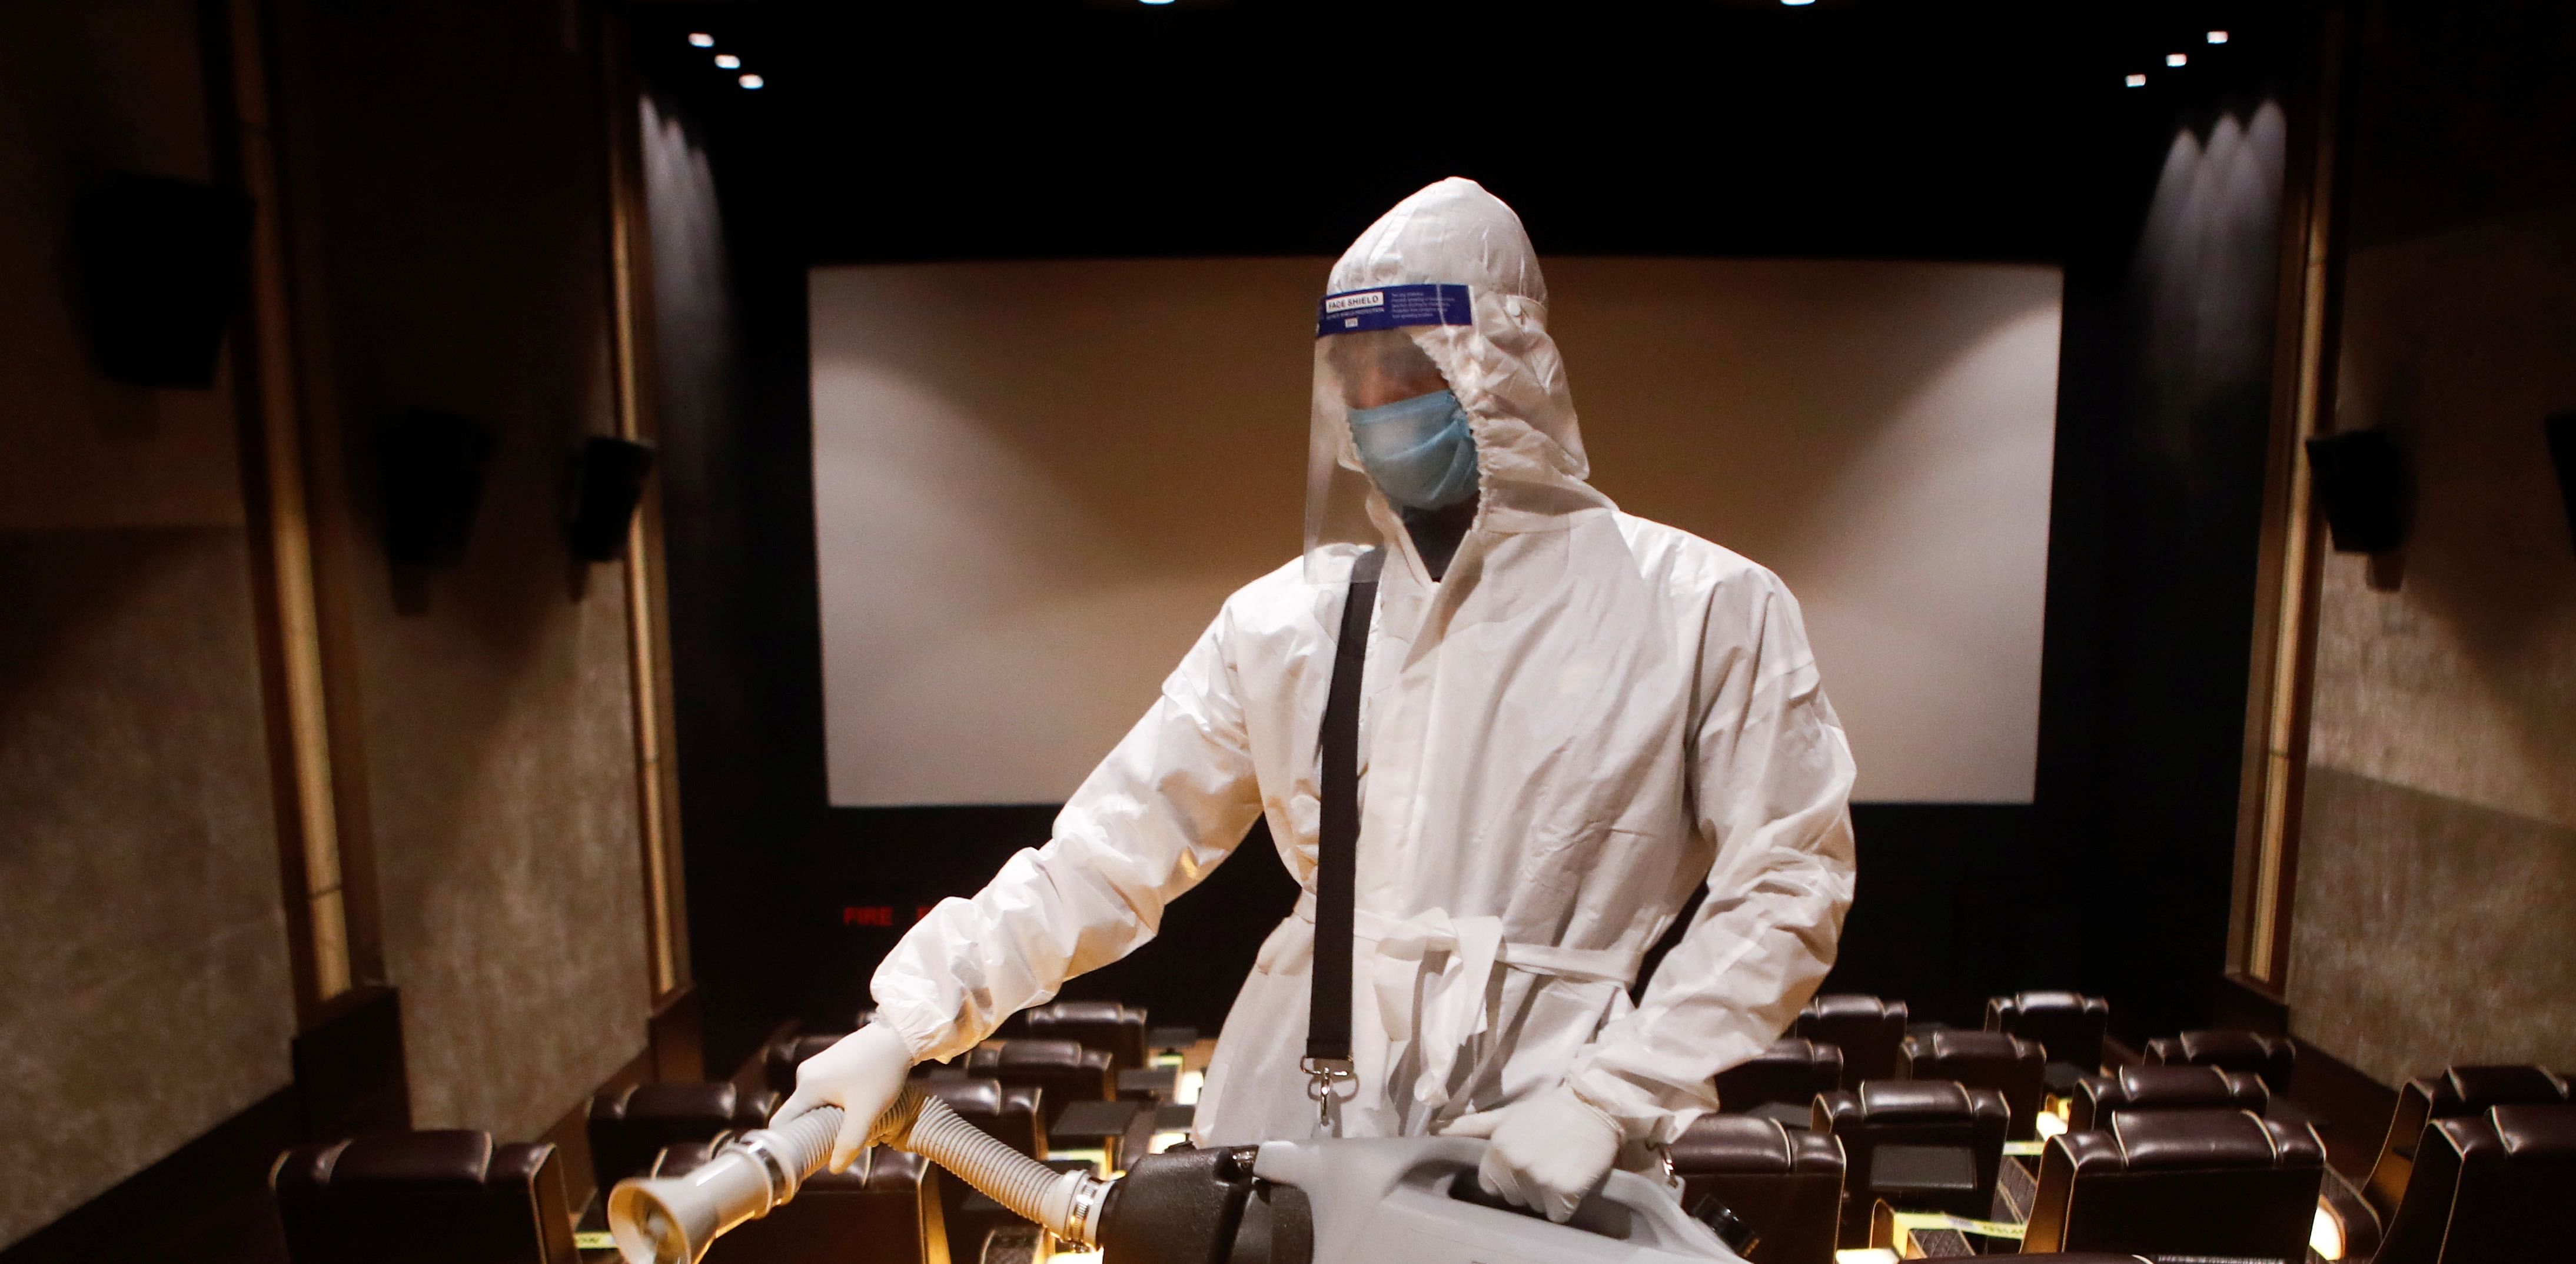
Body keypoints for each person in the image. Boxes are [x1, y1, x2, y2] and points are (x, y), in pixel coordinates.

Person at [775, 177, 1857, 1223]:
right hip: (1295, 1130)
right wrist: (908, 1022)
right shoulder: (1290, 623)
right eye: (1355, 373)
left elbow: (1789, 883)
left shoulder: (1701, 608)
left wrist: (1611, 1094)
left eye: (1408, 366)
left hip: (1541, 1155)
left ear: (1504, 365)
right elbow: (1106, 855)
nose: (1374, 406)